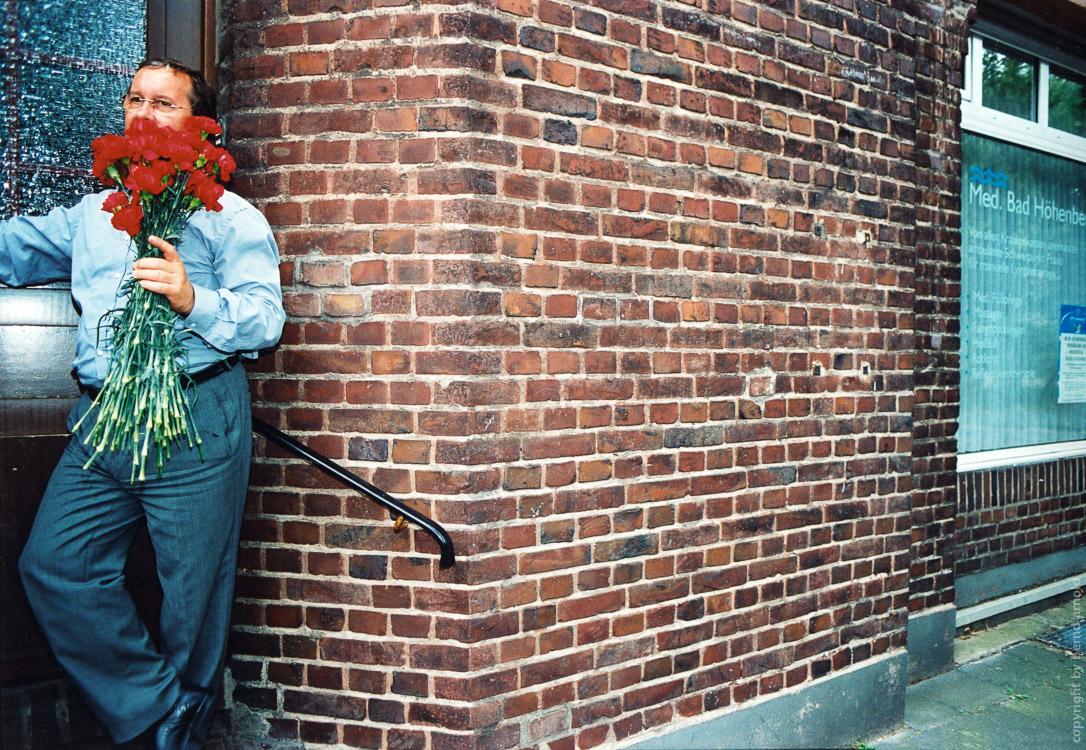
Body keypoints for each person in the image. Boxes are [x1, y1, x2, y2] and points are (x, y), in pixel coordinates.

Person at [1, 59, 284, 749]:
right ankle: (162, 711)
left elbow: (264, 319)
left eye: (163, 102)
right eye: (134, 99)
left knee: (192, 601)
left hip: (193, 415)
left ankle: (178, 738)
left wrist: (193, 299)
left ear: (199, 126)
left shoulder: (230, 217)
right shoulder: (95, 214)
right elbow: (15, 250)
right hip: (105, 420)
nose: (143, 112)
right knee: (55, 566)